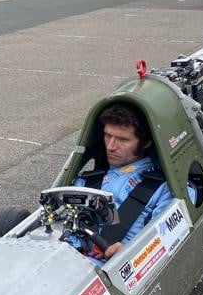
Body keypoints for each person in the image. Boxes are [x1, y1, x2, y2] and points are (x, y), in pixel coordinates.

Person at [75, 103, 179, 259]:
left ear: (146, 143)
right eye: (108, 135)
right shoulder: (85, 181)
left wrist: (132, 252)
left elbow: (168, 239)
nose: (110, 146)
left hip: (119, 269)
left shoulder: (165, 189)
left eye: (122, 140)